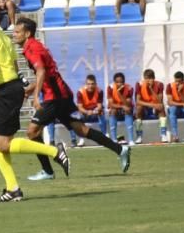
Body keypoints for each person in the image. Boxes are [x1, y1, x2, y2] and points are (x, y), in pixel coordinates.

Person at [0, 0, 68, 202]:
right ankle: (12, 189)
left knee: (4, 144)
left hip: (6, 91)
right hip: (4, 88)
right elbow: (12, 65)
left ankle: (53, 151)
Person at [14, 18, 129, 182]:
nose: (14, 35)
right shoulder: (35, 46)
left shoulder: (33, 48)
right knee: (80, 129)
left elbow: (40, 72)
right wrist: (31, 90)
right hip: (61, 94)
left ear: (27, 33)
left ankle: (47, 170)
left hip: (54, 97)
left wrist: (35, 96)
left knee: (32, 132)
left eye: (17, 32)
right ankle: (119, 149)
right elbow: (47, 74)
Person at [72, 74, 107, 147]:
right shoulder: (80, 92)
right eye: (88, 84)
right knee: (76, 117)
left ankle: (104, 137)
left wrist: (95, 111)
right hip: (84, 112)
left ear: (95, 84)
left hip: (95, 112)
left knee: (102, 112)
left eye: (92, 84)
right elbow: (80, 107)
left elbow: (100, 106)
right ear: (86, 84)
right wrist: (87, 112)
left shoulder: (99, 91)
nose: (90, 86)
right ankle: (80, 139)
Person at [134, 68, 167, 145]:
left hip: (155, 106)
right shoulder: (139, 84)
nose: (148, 80)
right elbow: (138, 101)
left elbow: (159, 100)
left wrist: (151, 88)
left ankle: (163, 134)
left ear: (154, 78)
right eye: (146, 79)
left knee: (161, 107)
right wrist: (152, 105)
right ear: (144, 78)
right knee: (138, 108)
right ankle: (139, 136)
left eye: (150, 78)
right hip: (145, 106)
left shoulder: (159, 85)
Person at [165, 71, 184, 143]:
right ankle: (175, 136)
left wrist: (180, 92)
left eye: (179, 81)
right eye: (176, 81)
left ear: (183, 81)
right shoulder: (170, 86)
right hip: (176, 107)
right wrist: (183, 104)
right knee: (172, 110)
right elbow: (170, 102)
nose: (177, 83)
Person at [106, 72, 135, 145]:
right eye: (117, 82)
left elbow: (128, 104)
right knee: (113, 110)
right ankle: (114, 139)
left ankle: (131, 140)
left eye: (121, 82)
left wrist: (119, 93)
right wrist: (122, 106)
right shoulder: (110, 88)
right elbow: (111, 104)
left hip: (126, 109)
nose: (119, 84)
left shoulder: (129, 88)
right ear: (114, 82)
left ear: (124, 82)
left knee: (128, 110)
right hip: (116, 109)